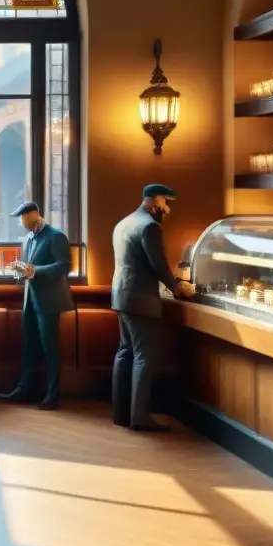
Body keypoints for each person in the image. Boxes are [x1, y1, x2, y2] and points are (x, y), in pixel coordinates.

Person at [111, 184, 194, 432]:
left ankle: (121, 413)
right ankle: (139, 417)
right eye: (166, 204)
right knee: (143, 356)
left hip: (121, 295)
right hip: (140, 298)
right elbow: (158, 265)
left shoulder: (124, 222)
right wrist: (178, 287)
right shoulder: (150, 226)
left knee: (124, 352)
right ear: (155, 202)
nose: (167, 210)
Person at [0, 201, 74, 410]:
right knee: (29, 347)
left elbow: (64, 266)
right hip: (30, 300)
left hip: (49, 301)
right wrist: (20, 269)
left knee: (50, 349)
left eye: (23, 217)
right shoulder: (29, 238)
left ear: (34, 215)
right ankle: (23, 390)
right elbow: (29, 266)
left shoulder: (56, 236)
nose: (21, 222)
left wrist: (36, 271)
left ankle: (52, 396)